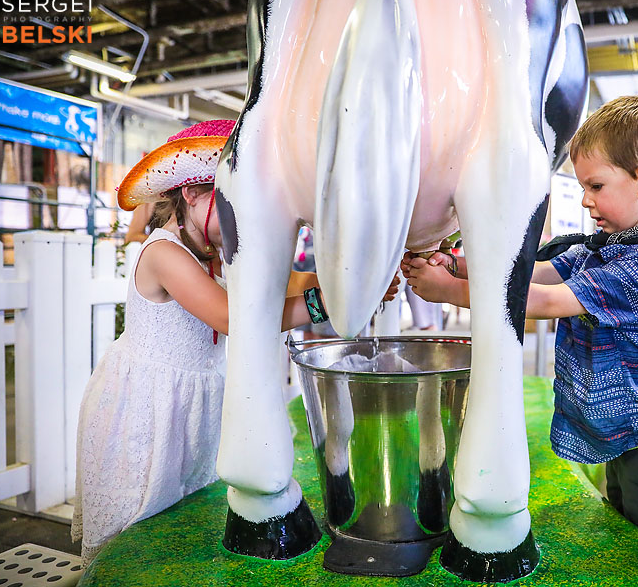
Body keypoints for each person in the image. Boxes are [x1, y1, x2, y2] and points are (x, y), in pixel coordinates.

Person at [71, 120, 397, 564]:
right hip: (148, 406)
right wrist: (327, 303)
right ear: (191, 194)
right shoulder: (165, 252)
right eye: (233, 205)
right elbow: (233, 319)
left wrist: (354, 280)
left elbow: (284, 278)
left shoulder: (212, 254)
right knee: (137, 526)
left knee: (182, 523)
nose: (244, 220)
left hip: (189, 402)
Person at [403, 93, 638, 558]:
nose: (585, 200)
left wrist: (450, 292)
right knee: (623, 538)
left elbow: (544, 300)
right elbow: (536, 274)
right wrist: (459, 266)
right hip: (621, 431)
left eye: (596, 186)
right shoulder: (604, 245)